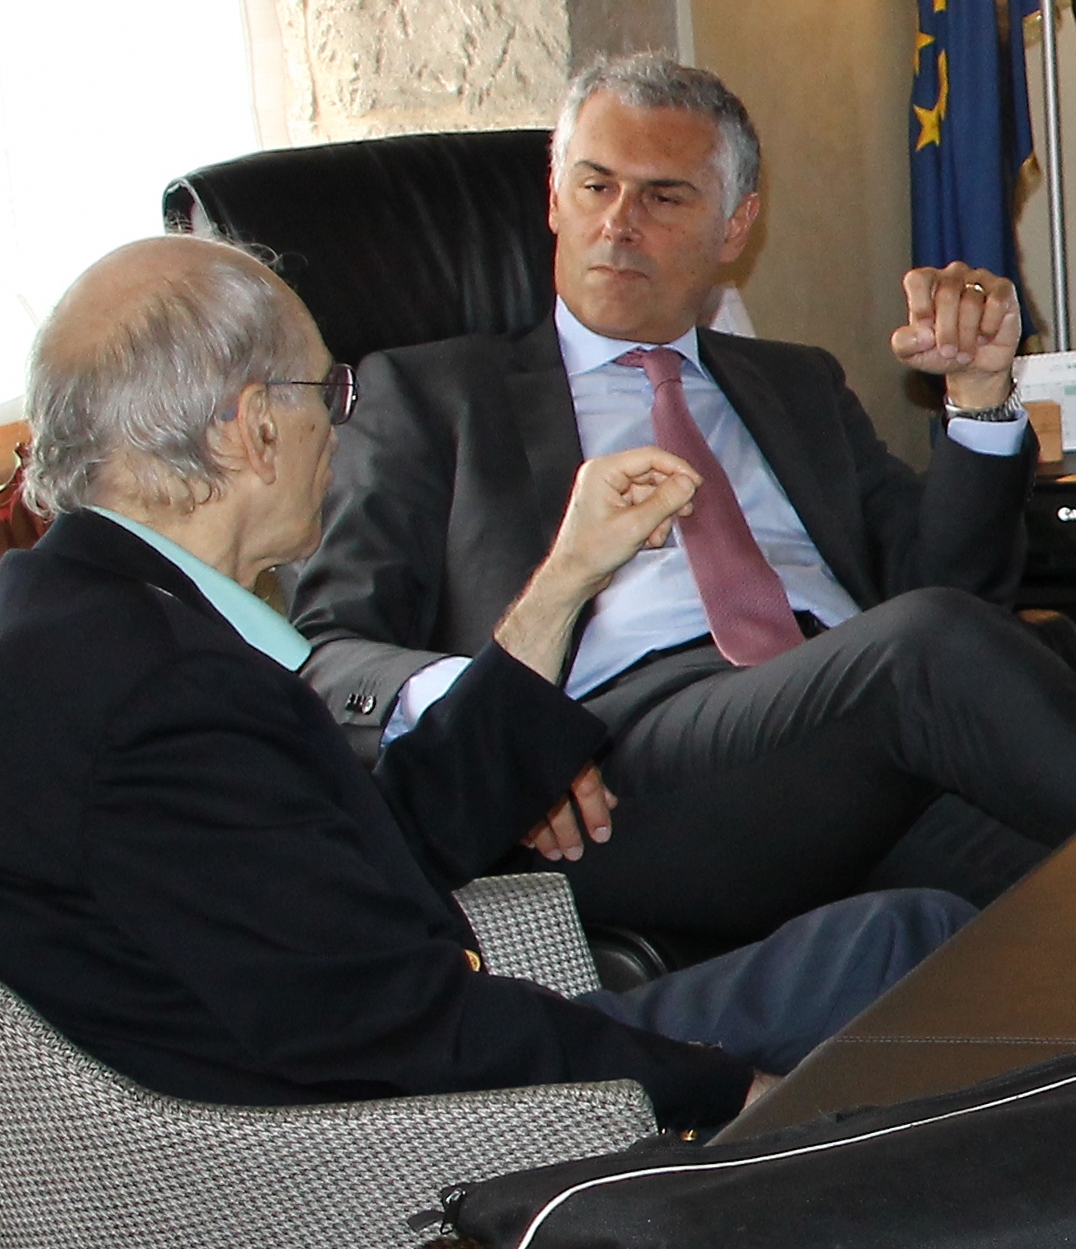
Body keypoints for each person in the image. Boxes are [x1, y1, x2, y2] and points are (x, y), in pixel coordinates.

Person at [0, 238, 966, 1131]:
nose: (337, 426)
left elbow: (375, 853)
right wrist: (726, 1091)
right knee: (924, 952)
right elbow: (397, 1028)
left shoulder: (76, 619)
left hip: (374, 1086)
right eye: (328, 391)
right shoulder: (166, 696)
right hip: (392, 1158)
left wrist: (565, 582)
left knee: (895, 936)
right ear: (254, 429)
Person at [295, 54, 1076, 943]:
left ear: (734, 226)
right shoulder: (433, 395)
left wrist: (979, 400)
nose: (618, 224)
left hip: (845, 741)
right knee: (928, 652)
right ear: (554, 198)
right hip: (619, 771)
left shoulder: (797, 384)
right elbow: (328, 654)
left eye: (663, 197)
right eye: (595, 186)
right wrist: (499, 715)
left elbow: (956, 587)